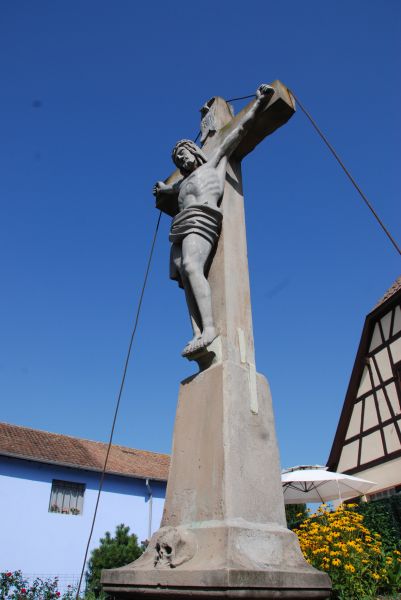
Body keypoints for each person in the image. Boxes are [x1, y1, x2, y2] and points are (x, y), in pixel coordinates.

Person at [153, 83, 274, 357]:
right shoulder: (181, 183)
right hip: (180, 226)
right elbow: (169, 189)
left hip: (201, 217)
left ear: (194, 151)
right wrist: (163, 189)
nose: (181, 161)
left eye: (183, 154)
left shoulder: (212, 163)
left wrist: (257, 103)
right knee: (185, 273)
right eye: (177, 160)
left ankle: (210, 328)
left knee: (194, 268)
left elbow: (238, 132)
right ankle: (197, 331)